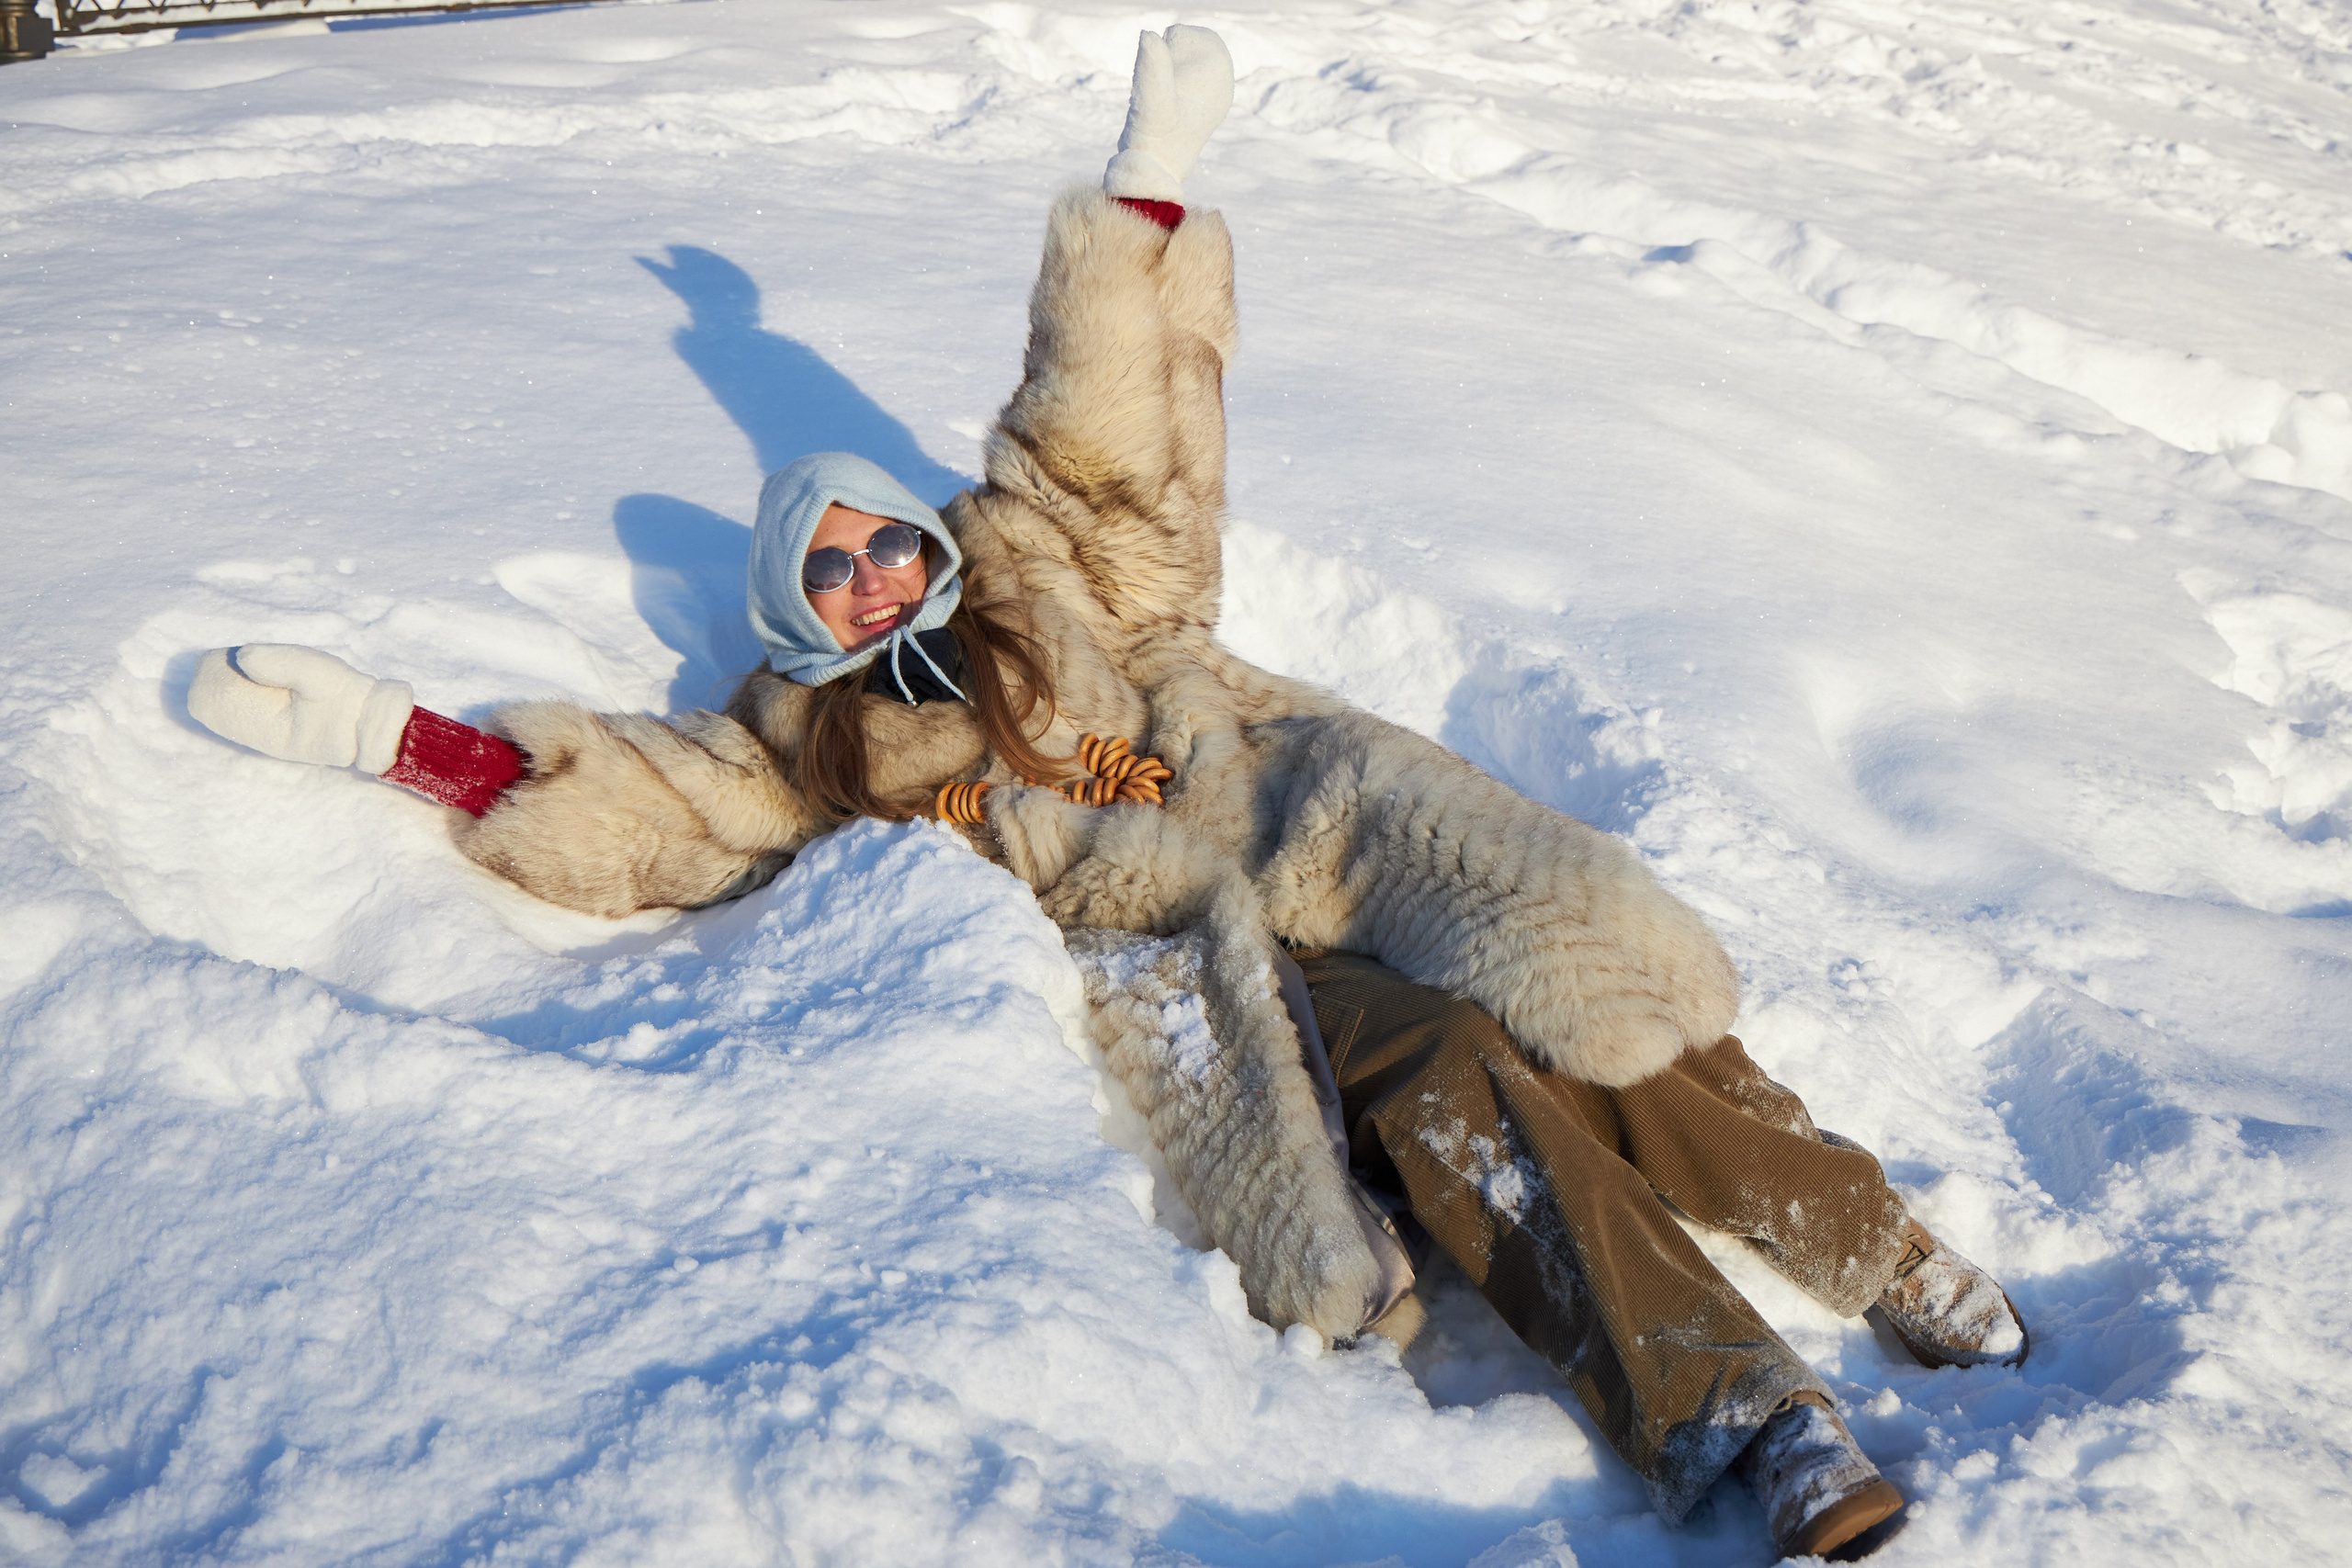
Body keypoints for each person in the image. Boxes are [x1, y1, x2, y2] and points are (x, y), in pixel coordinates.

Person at [185, 24, 2026, 1559]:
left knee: (1583, 975)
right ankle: (1745, 1418)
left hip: (1314, 812)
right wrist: (397, 740)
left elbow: (1098, 413)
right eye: (828, 573)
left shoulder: (1049, 562)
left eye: (881, 545)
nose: (872, 583)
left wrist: (1137, 184)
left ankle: (1879, 1247)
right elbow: (656, 811)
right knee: (1460, 1070)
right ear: (790, 610)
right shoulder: (803, 747)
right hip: (1210, 949)